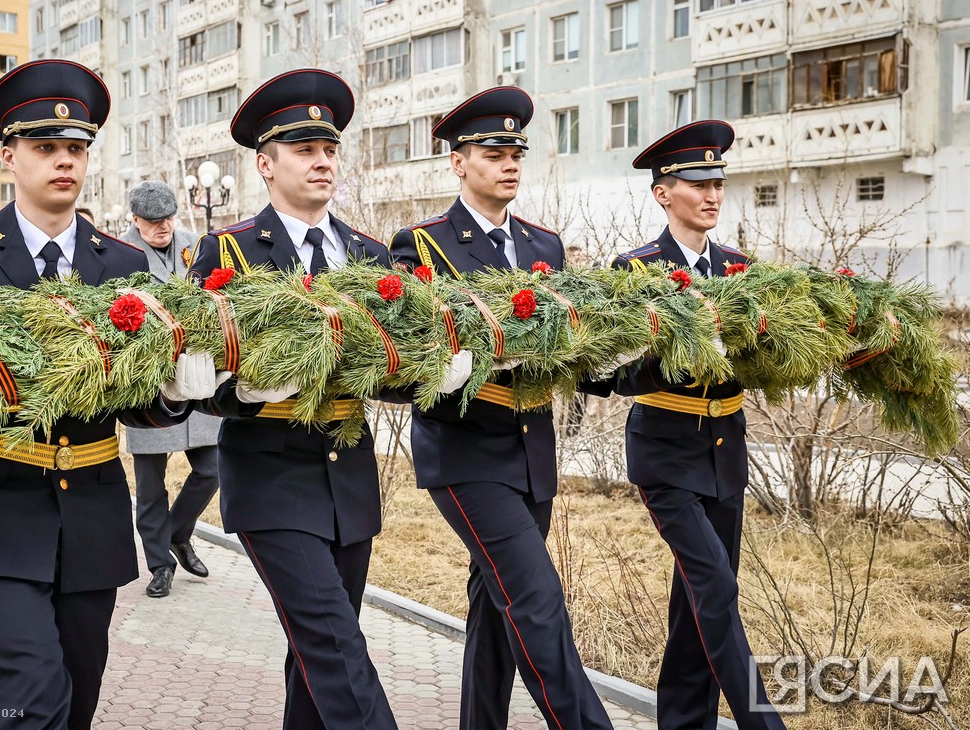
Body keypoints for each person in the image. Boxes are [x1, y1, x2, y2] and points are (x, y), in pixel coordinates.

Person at [0, 59, 218, 730]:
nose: (63, 162)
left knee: (77, 698)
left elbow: (140, 405)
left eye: (75, 149)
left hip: (91, 514)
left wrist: (176, 390)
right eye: (45, 148)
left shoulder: (126, 264)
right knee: (33, 696)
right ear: (9, 155)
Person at [189, 69, 428, 730]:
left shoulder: (371, 254)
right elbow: (198, 378)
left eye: (329, 150)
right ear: (266, 164)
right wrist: (242, 388)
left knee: (315, 653)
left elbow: (395, 369)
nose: (322, 161)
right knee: (336, 647)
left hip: (347, 481)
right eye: (303, 150)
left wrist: (438, 367)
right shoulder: (229, 252)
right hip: (270, 478)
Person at [388, 87, 613, 730]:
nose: (509, 161)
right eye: (492, 151)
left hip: (530, 452)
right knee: (537, 601)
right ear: (459, 163)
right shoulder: (424, 245)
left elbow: (569, 343)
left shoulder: (546, 245)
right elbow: (407, 355)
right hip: (464, 452)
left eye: (516, 150)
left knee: (497, 605)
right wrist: (453, 363)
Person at [580, 120, 786, 730]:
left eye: (718, 181)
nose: (712, 194)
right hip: (666, 453)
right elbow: (606, 374)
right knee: (717, 590)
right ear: (662, 193)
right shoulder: (636, 271)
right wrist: (663, 349)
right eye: (697, 182)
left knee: (694, 604)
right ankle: (763, 721)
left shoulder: (742, 271)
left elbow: (771, 357)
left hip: (727, 452)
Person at [121, 181, 221, 597]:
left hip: (195, 376)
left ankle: (178, 534)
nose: (163, 228)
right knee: (150, 488)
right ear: (135, 220)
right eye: (153, 222)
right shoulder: (116, 251)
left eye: (167, 220)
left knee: (212, 469)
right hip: (148, 385)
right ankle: (159, 565)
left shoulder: (194, 244)